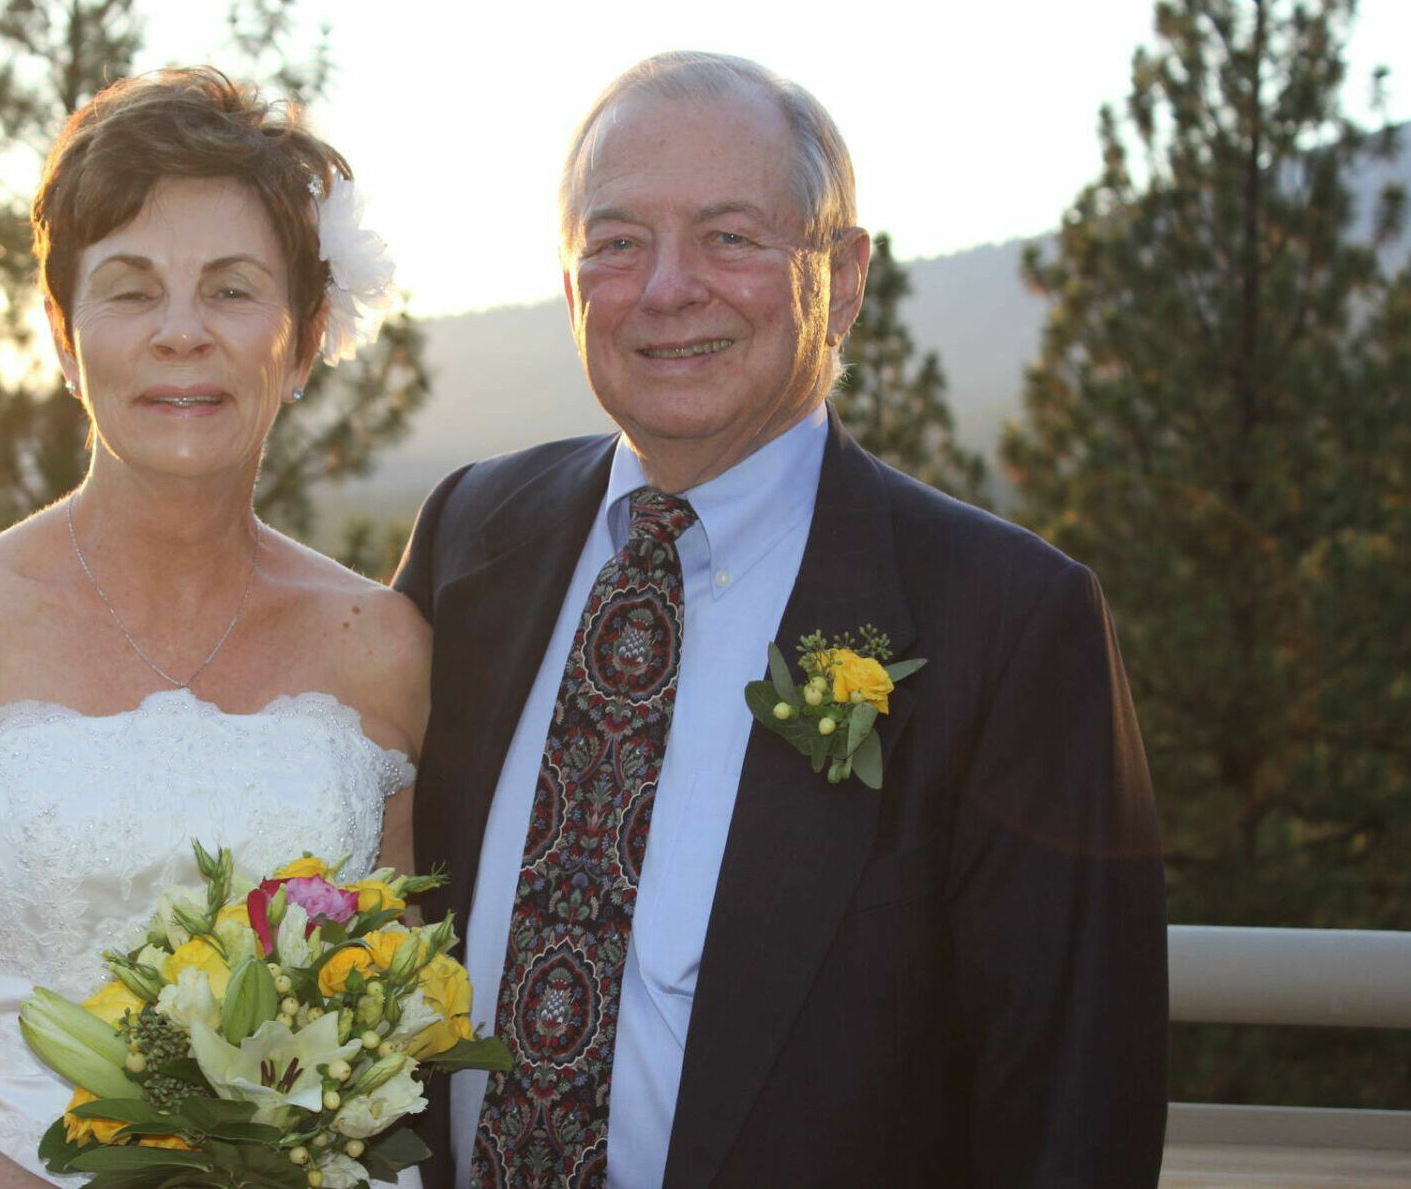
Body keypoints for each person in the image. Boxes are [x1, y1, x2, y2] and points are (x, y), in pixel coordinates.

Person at [394, 51, 1169, 1189]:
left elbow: (1072, 1105)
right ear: (571, 287)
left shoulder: (1008, 623)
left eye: (729, 236)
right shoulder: (472, 538)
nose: (666, 288)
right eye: (616, 242)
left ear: (843, 279)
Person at [0, 68, 429, 1187]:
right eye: (130, 290)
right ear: (65, 335)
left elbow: (402, 1013)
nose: (181, 334)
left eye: (230, 290)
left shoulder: (381, 644)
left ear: (305, 338)